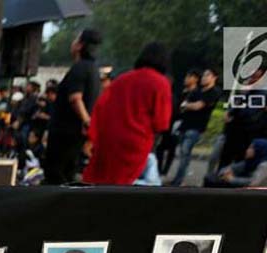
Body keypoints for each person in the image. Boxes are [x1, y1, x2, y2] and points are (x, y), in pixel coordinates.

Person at [83, 43, 172, 185]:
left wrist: (92, 137)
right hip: (136, 143)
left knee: (100, 180)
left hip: (109, 139)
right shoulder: (161, 83)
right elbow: (161, 123)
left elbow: (101, 108)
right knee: (122, 184)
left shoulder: (122, 79)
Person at [43, 29, 102, 185]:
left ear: (80, 45)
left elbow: (76, 98)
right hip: (76, 134)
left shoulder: (80, 68)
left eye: (76, 39)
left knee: (55, 173)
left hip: (65, 132)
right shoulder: (93, 69)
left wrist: (86, 121)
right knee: (68, 173)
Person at [169, 68, 220, 186]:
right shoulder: (197, 91)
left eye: (207, 75)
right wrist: (188, 105)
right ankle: (177, 179)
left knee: (185, 152)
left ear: (214, 77)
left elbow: (198, 106)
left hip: (196, 127)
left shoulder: (213, 92)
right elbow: (183, 105)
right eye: (203, 75)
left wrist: (188, 105)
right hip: (184, 125)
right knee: (182, 153)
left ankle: (178, 180)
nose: (204, 77)